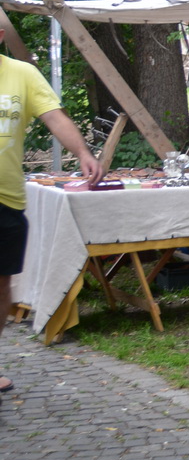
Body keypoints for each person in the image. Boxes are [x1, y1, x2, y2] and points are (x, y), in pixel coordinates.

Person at [1, 52, 102, 392]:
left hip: (5, 198)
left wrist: (83, 153)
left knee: (1, 285)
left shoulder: (22, 74)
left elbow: (54, 117)